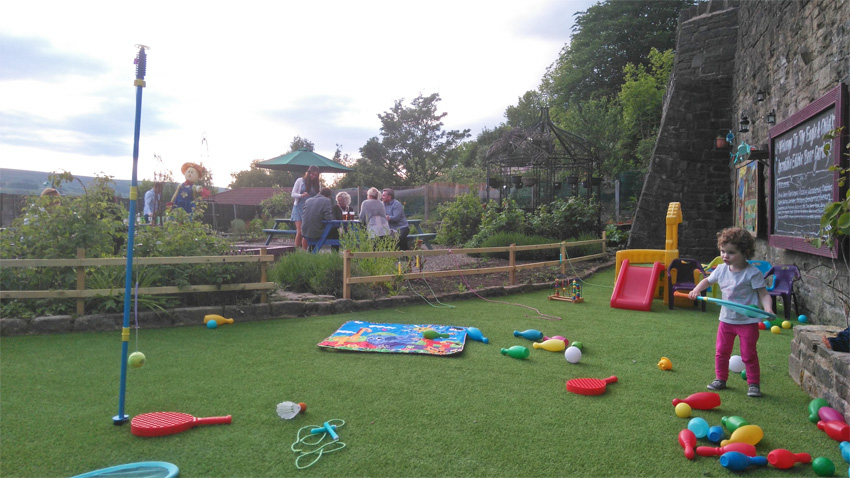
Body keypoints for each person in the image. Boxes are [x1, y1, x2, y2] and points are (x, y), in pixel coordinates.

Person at [688, 227, 773, 398]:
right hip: (726, 320)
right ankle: (720, 379)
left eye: (731, 252)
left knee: (748, 354)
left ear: (745, 252)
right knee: (721, 351)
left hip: (747, 322)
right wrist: (696, 290)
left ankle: (753, 384)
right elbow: (707, 281)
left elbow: (763, 294)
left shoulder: (752, 273)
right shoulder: (720, 269)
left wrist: (768, 309)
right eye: (722, 251)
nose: (725, 256)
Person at [291, 165, 321, 250]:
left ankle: (305, 251)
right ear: (308, 173)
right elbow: (293, 194)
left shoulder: (317, 184)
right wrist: (301, 195)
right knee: (300, 230)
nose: (313, 176)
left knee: (306, 232)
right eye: (312, 174)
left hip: (310, 209)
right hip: (299, 207)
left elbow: (319, 196)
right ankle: (296, 250)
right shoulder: (300, 181)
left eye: (315, 175)